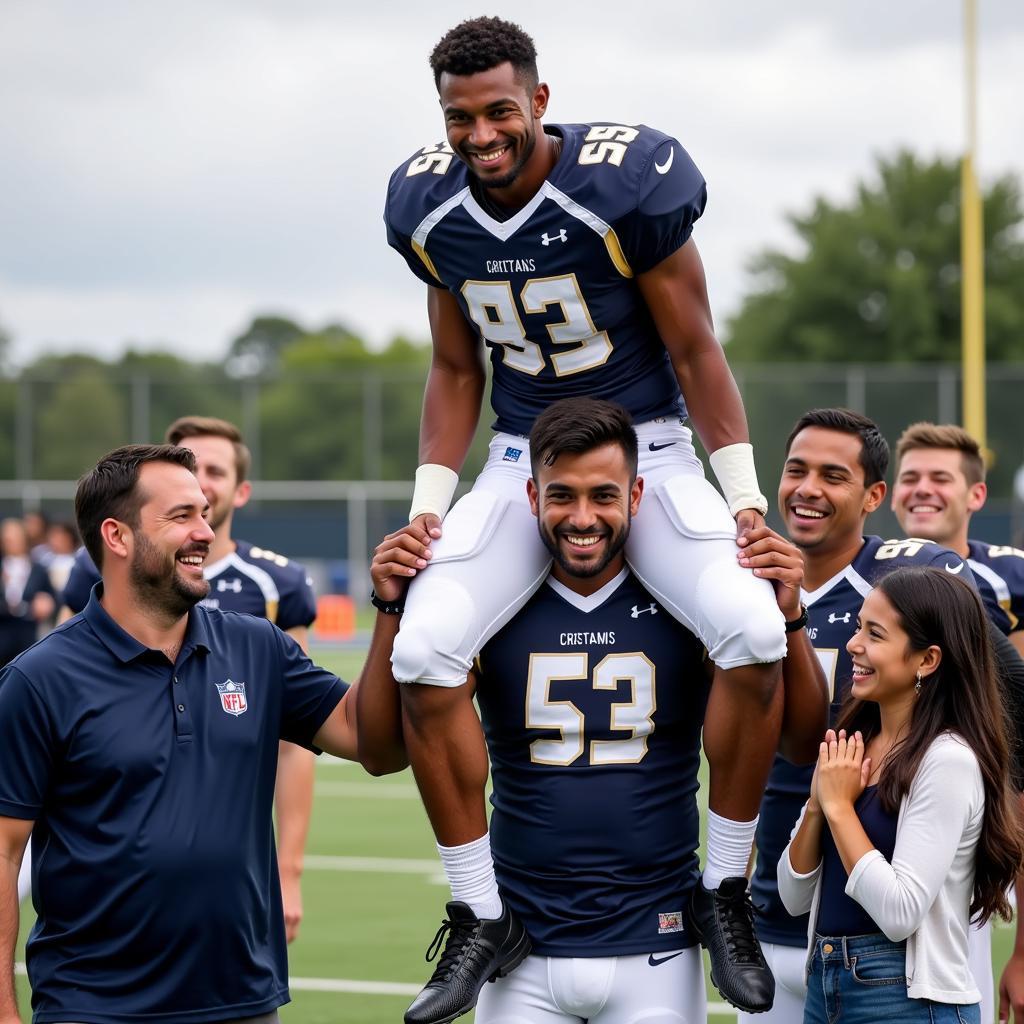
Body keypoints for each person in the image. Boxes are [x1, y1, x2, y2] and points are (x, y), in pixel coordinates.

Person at [384, 16, 786, 1014]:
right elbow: (451, 366)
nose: (481, 134)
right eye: (460, 117)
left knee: (752, 626)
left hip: (644, 446)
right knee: (423, 650)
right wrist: (428, 511)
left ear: (540, 103)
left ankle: (722, 887)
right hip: (524, 461)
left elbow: (697, 351)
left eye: (499, 112)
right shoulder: (429, 208)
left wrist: (745, 506)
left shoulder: (620, 187)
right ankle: (481, 914)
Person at [364, 396, 828, 1024]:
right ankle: (478, 915)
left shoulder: (686, 599)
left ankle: (723, 897)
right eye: (562, 497)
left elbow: (801, 742)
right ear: (530, 498)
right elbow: (380, 747)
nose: (583, 518)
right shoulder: (489, 603)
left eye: (604, 496)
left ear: (638, 497)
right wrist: (391, 612)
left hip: (657, 941)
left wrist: (788, 614)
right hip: (523, 945)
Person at [0, 443, 405, 1024]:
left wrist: (389, 613)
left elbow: (377, 745)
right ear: (116, 537)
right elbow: (4, 851)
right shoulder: (38, 681)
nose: (205, 533)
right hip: (94, 1009)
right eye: (181, 516)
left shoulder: (257, 646)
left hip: (242, 1002)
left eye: (205, 514)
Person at [746, 408, 1024, 1024]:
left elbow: (1010, 711)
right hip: (796, 918)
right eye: (796, 469)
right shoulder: (746, 583)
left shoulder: (910, 579)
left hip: (915, 948)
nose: (809, 488)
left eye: (833, 474)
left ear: (874, 495)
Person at [60, 415, 319, 943]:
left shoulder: (274, 583)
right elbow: (62, 690)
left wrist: (288, 872)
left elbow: (297, 742)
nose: (201, 483)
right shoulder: (102, 572)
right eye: (189, 470)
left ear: (240, 490)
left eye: (216, 472)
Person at [779, 566, 1024, 1023]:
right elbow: (793, 897)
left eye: (875, 634)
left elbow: (899, 912)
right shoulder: (852, 740)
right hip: (824, 984)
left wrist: (837, 808)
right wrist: (817, 807)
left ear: (927, 660)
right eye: (857, 628)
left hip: (909, 1001)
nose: (854, 645)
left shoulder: (948, 759)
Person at [891, 422, 1024, 657]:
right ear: (893, 495)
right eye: (910, 479)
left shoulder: (1011, 575)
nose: (922, 489)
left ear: (976, 495)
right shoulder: (865, 570)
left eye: (940, 479)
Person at [0, 518, 55, 667]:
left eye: (15, 537)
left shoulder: (38, 568)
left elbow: (52, 597)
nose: (10, 542)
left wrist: (47, 602)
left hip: (28, 636)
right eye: (6, 538)